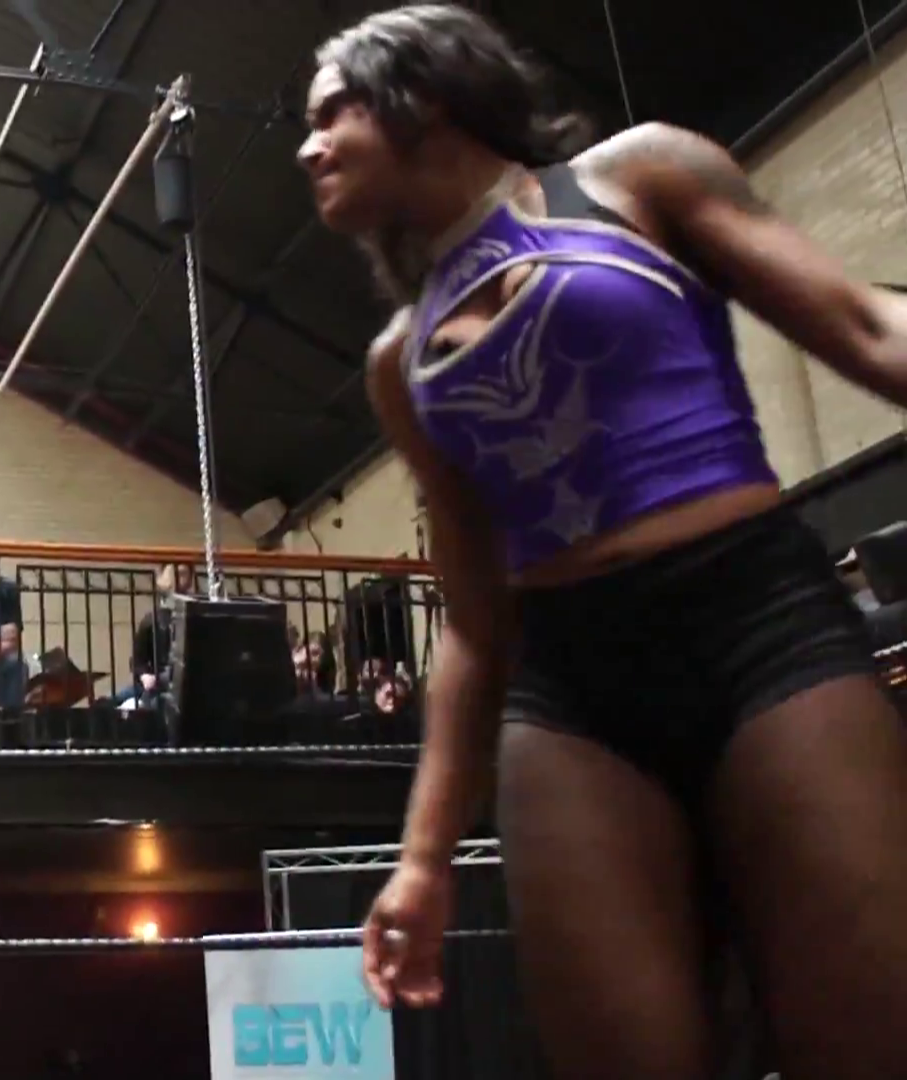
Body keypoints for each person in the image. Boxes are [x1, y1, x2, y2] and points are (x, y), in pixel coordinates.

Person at [299, 6, 907, 1079]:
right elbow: (475, 624)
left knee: (865, 1034)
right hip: (571, 686)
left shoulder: (637, 177)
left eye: (331, 113)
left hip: (760, 621)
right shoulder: (401, 363)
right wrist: (423, 860)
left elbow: (866, 326)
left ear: (423, 93)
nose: (309, 149)